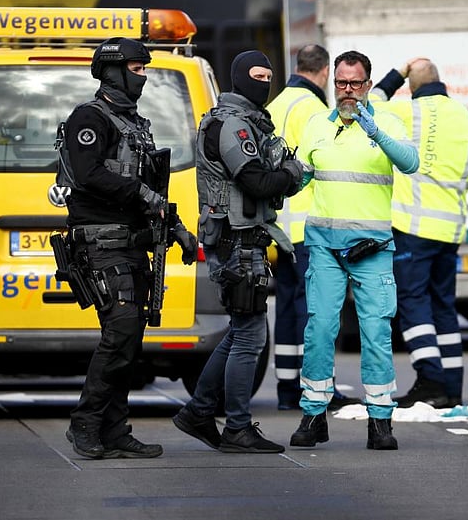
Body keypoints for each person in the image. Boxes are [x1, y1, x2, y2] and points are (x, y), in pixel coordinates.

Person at [60, 37, 198, 459]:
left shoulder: (136, 124)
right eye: (138, 69)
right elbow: (88, 174)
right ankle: (85, 423)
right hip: (102, 244)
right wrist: (140, 193)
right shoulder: (90, 117)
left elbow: (153, 191)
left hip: (133, 244)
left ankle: (115, 431)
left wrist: (177, 230)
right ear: (115, 71)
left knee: (129, 339)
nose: (144, 76)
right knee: (120, 331)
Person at [172, 50, 303, 453]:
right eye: (256, 76)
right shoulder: (232, 126)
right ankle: (237, 427)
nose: (264, 83)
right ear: (239, 78)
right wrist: (292, 174)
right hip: (235, 242)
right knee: (250, 336)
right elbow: (258, 181)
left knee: (240, 332)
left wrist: (284, 177)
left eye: (269, 76)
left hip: (244, 240)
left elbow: (270, 181)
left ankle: (199, 410)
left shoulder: (249, 122)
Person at [290, 50, 419, 450]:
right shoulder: (316, 126)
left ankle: (380, 420)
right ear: (334, 84)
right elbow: (299, 180)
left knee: (377, 332)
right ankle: (313, 414)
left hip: (372, 248)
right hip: (325, 247)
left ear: (367, 85)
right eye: (341, 83)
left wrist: (375, 130)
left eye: (355, 84)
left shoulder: (388, 121)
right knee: (320, 328)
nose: (347, 91)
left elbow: (410, 163)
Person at [371, 58, 468, 409]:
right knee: (443, 306)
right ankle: (452, 387)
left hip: (411, 227)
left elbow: (369, 103)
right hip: (451, 229)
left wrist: (397, 73)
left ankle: (429, 379)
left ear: (412, 86)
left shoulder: (404, 114)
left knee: (412, 301)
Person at [266, 44, 358, 411]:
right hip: (309, 226)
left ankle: (287, 387)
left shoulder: (273, 107)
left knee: (287, 307)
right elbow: (326, 167)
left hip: (277, 227)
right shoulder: (316, 111)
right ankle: (316, 387)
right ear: (322, 73)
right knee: (315, 310)